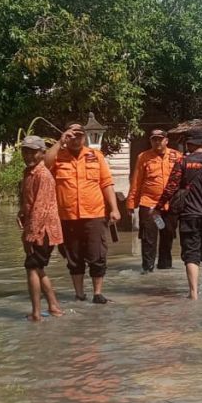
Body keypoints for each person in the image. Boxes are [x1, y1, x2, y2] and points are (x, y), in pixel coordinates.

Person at [45, 123, 122, 304]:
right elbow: (44, 165)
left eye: (79, 135)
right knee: (74, 257)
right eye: (71, 135)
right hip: (67, 216)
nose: (75, 138)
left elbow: (106, 183)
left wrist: (115, 208)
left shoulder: (96, 156)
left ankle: (97, 293)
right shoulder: (58, 156)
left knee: (97, 255)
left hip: (94, 214)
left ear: (84, 137)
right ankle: (79, 294)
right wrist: (59, 142)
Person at [157, 129, 202, 300]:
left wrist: (159, 207)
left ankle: (193, 294)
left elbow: (170, 188)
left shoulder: (182, 163)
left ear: (190, 145)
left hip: (188, 215)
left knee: (191, 254)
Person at [17, 135, 64, 321]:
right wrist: (21, 212)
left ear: (43, 153)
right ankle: (54, 306)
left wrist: (30, 235)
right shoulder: (28, 173)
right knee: (38, 268)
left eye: (32, 152)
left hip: (43, 231)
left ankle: (36, 314)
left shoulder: (43, 175)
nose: (28, 155)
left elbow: (40, 208)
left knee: (32, 268)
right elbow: (29, 201)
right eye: (25, 151)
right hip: (36, 228)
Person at [127, 129, 182, 273]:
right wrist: (131, 203)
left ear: (166, 141)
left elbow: (184, 181)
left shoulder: (177, 156)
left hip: (170, 205)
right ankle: (148, 269)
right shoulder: (143, 157)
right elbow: (136, 181)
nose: (157, 142)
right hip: (149, 204)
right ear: (150, 141)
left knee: (168, 236)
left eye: (160, 139)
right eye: (154, 139)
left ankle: (165, 267)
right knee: (148, 238)